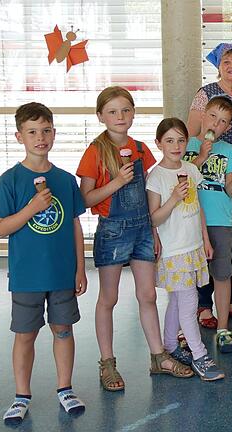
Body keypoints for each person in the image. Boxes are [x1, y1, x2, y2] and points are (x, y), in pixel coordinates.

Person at [77, 86, 193, 392]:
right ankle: (107, 363)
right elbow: (86, 199)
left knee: (149, 296)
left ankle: (158, 357)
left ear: (134, 113)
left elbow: (147, 194)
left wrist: (153, 232)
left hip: (142, 229)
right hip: (113, 230)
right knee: (109, 298)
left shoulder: (142, 148)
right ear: (100, 115)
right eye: (113, 111)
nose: (120, 116)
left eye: (126, 110)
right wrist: (116, 182)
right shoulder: (94, 152)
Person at [0, 103, 87, 425]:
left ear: (54, 134)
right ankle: (21, 395)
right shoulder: (10, 180)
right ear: (20, 136)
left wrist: (80, 267)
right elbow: (2, 227)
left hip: (61, 271)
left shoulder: (64, 179)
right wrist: (31, 208)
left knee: (63, 329)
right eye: (32, 132)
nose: (40, 137)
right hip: (27, 274)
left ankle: (65, 388)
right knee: (26, 334)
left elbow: (74, 223)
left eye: (46, 131)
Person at [147, 118, 227, 381]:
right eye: (169, 140)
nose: (176, 145)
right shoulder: (156, 176)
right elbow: (154, 218)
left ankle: (170, 346)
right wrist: (173, 199)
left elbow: (199, 209)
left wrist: (205, 239)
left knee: (177, 300)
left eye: (181, 140)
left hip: (193, 247)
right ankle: (200, 355)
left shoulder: (192, 169)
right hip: (174, 250)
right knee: (190, 301)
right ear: (158, 143)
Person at [188, 43, 232, 328]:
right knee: (202, 246)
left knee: (228, 242)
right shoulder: (205, 94)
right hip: (206, 174)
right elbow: (192, 133)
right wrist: (201, 155)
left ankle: (227, 303)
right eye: (227, 61)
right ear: (218, 65)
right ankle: (204, 305)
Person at [185, 97, 232, 353]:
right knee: (188, 279)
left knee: (222, 276)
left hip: (221, 221)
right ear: (203, 115)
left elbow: (231, 190)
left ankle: (223, 328)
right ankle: (186, 329)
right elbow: (178, 178)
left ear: (228, 126)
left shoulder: (229, 150)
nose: (216, 123)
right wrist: (201, 156)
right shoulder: (185, 144)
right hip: (187, 221)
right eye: (213, 116)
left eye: (223, 121)